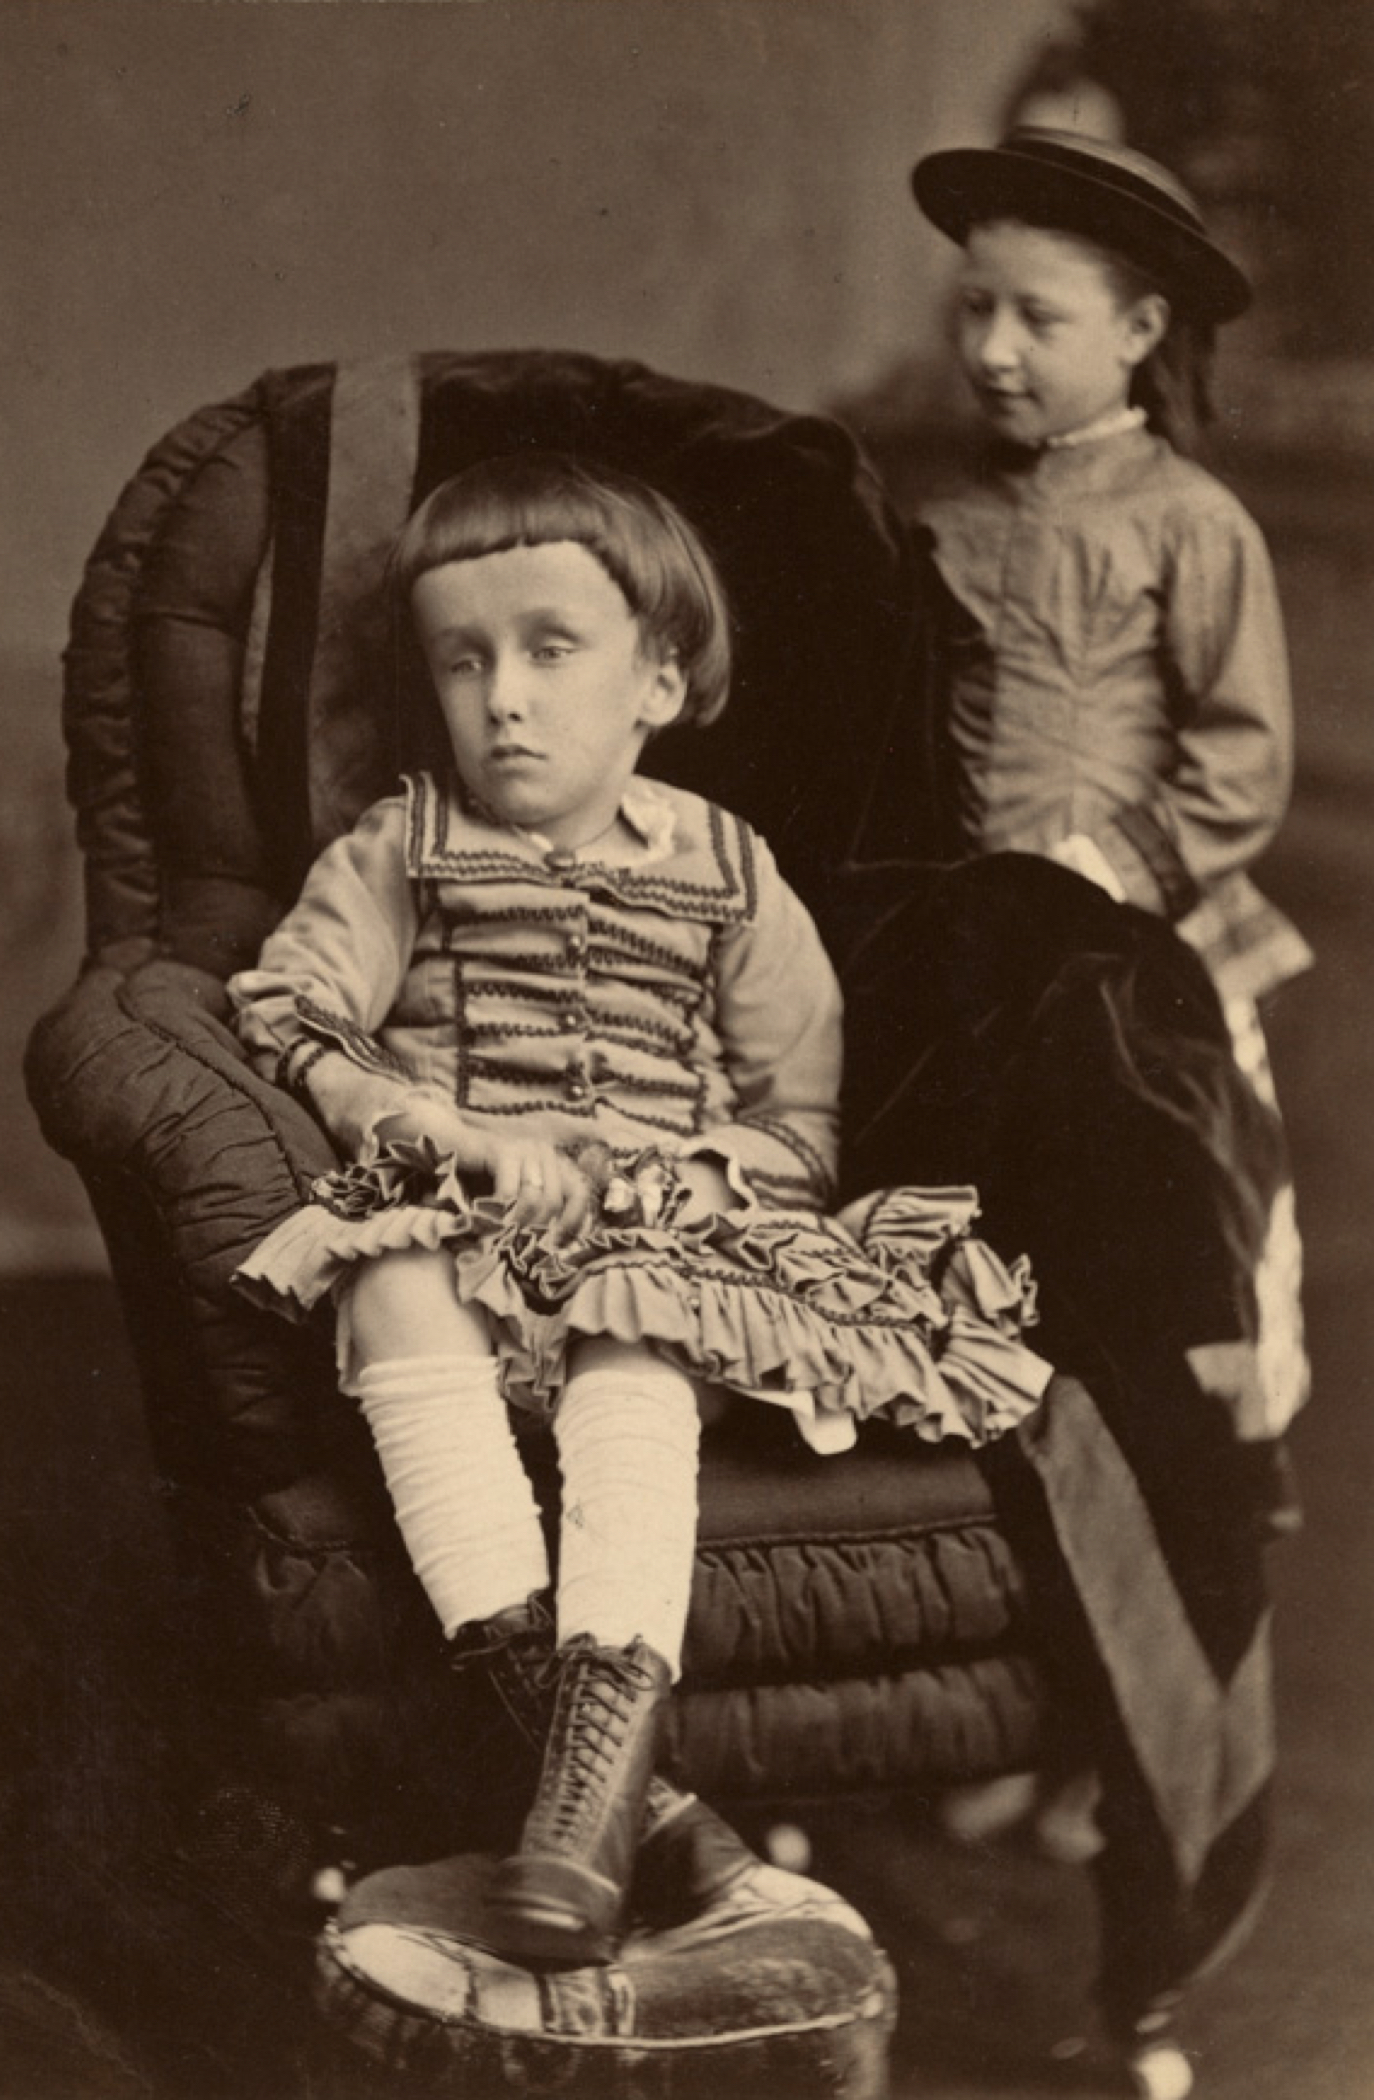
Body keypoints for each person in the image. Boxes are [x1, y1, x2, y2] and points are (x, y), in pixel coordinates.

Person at [225, 452, 1053, 1968]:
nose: (504, 700)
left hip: (660, 1248)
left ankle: (597, 1754)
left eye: (552, 650)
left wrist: (697, 1178)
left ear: (658, 680)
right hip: (466, 1228)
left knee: (638, 1330)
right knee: (389, 1276)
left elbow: (795, 1115)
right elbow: (294, 1008)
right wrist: (435, 1124)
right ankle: (629, 1806)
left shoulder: (733, 874)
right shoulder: (402, 848)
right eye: (462, 660)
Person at [905, 126, 1312, 1871]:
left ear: (1140, 329)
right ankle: (1017, 1712)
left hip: (1138, 999)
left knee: (1174, 1359)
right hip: (980, 998)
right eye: (972, 308)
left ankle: (1135, 1742)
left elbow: (1238, 769)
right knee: (987, 1346)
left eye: (1038, 318)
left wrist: (1095, 877)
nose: (992, 348)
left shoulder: (1188, 525)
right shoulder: (941, 522)